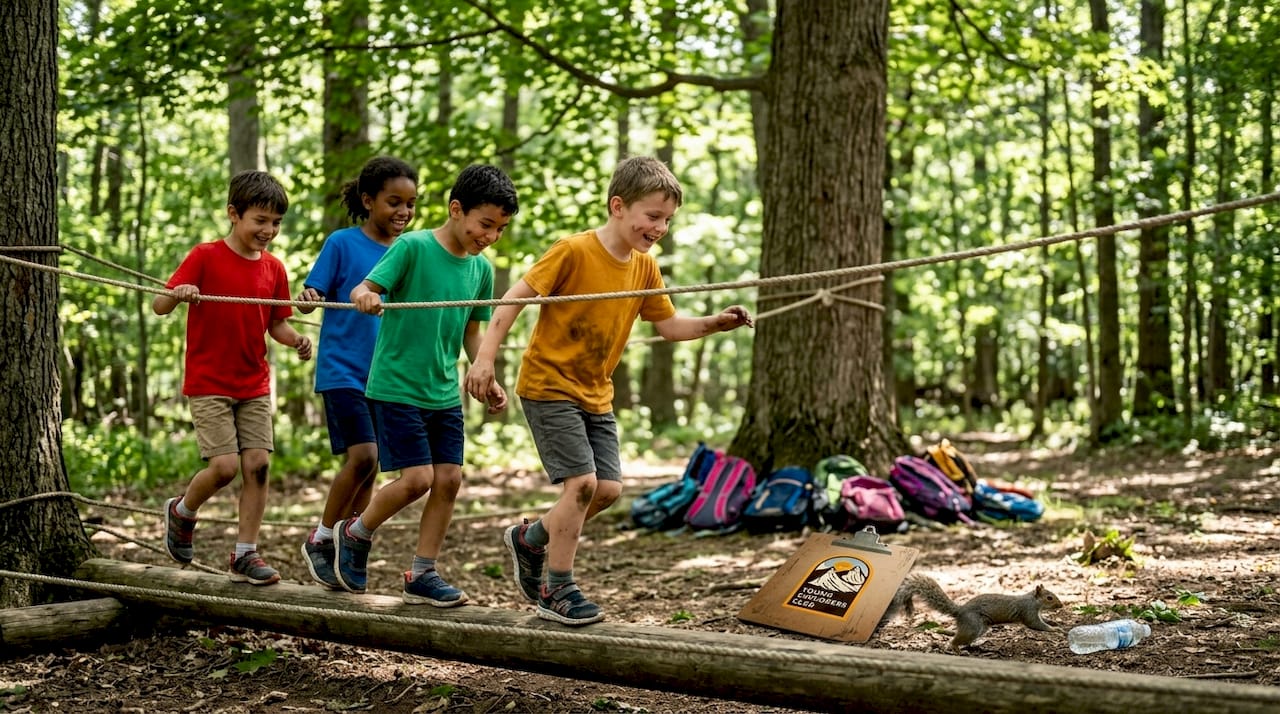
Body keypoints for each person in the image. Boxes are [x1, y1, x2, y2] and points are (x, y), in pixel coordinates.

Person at [464, 156, 753, 625]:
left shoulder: (644, 269)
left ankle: (530, 539)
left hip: (596, 392)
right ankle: (558, 589)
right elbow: (514, 297)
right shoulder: (573, 251)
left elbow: (670, 326)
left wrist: (715, 323)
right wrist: (484, 358)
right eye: (653, 216)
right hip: (548, 385)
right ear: (618, 206)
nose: (660, 227)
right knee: (581, 485)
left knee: (608, 490)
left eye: (667, 220)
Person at [333, 164, 517, 606]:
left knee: (449, 480)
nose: (490, 235)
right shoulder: (412, 247)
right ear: (456, 210)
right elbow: (366, 286)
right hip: (396, 386)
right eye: (485, 224)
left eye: (501, 228)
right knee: (416, 479)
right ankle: (355, 533)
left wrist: (484, 370)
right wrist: (365, 296)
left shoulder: (481, 270)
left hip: (442, 390)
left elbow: (473, 331)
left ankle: (422, 571)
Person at [156, 170, 313, 586]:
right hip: (209, 381)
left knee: (258, 465)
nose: (269, 230)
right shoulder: (205, 256)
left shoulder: (274, 269)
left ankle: (245, 553)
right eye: (260, 220)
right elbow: (158, 304)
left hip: (253, 382)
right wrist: (180, 292)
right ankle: (183, 511)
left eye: (276, 222)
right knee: (224, 467)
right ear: (233, 214)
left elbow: (276, 322)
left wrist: (296, 338)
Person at [295, 157, 419, 589]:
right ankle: (322, 537)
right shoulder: (342, 243)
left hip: (385, 375)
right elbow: (313, 295)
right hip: (343, 369)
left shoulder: (409, 251)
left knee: (372, 468)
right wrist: (309, 297)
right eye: (393, 202)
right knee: (363, 456)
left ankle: (349, 543)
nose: (403, 211)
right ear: (368, 201)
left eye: (411, 203)